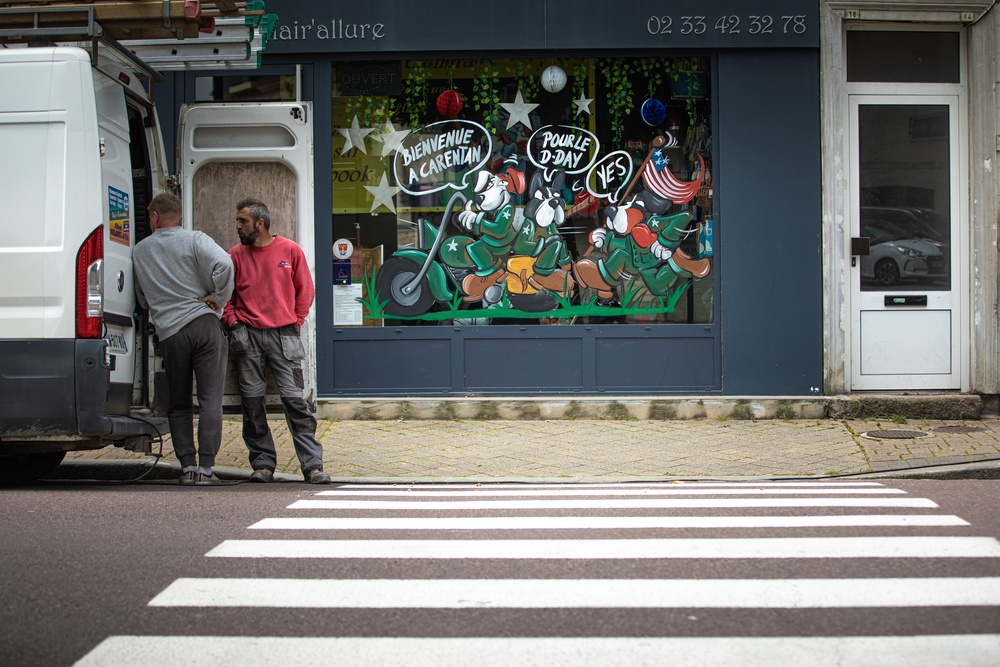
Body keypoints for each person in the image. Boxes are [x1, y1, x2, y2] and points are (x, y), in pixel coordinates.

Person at [222, 198, 332, 484]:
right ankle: (262, 464)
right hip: (247, 337)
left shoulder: (290, 250)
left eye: (242, 221)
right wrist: (234, 324)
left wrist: (295, 321)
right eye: (237, 221)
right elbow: (224, 298)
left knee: (295, 401)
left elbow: (306, 290)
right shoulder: (234, 255)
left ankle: (312, 466)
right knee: (252, 403)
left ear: (260, 223)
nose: (237, 226)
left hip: (285, 335)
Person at [133, 193, 234, 485]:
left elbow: (141, 296)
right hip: (204, 325)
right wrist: (218, 298)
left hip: (171, 333)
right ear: (180, 216)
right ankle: (206, 469)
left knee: (178, 402)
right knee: (210, 399)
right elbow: (225, 265)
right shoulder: (195, 239)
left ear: (154, 217)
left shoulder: (140, 250)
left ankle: (187, 467)